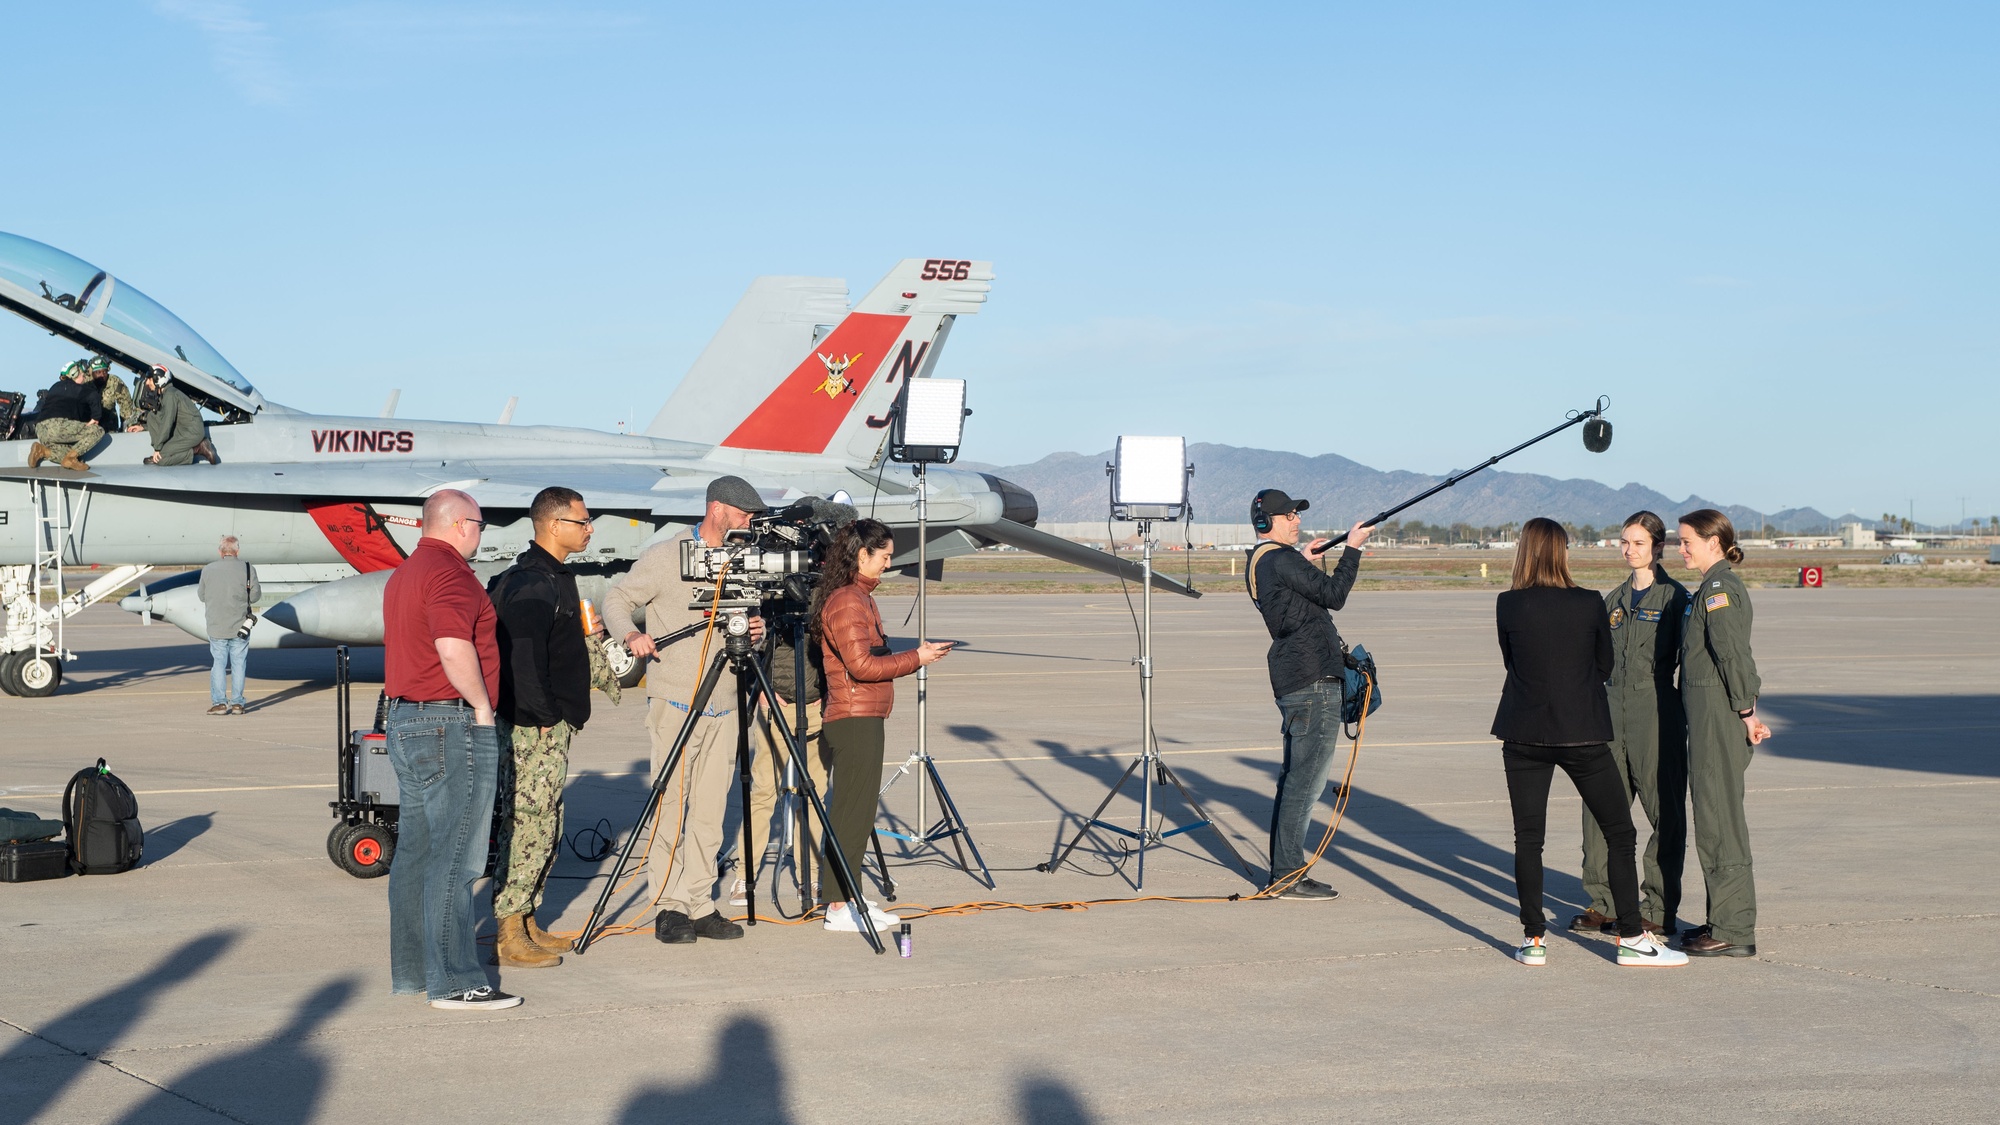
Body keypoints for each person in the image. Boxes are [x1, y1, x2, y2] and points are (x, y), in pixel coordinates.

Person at [1494, 518, 1687, 968]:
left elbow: (1512, 662)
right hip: (1580, 732)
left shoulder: (1507, 604)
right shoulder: (1587, 603)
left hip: (1522, 733)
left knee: (1529, 839)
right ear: (1561, 552)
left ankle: (1533, 940)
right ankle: (1633, 936)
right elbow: (1604, 663)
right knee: (1620, 832)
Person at [603, 474, 770, 945]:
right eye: (743, 513)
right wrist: (630, 635)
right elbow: (616, 598)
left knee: (711, 809)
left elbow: (746, 616)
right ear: (717, 509)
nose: (749, 521)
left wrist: (755, 631)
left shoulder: (741, 558)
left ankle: (699, 902)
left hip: (726, 701)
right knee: (672, 806)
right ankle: (668, 905)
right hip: (676, 699)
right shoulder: (667, 555)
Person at [381, 488, 520, 1010]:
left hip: (407, 719)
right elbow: (452, 645)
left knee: (417, 853)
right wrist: (482, 708)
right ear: (461, 524)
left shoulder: (406, 573)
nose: (482, 535)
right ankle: (457, 981)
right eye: (481, 525)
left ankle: (416, 972)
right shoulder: (451, 575)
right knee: (457, 856)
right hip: (448, 722)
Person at [809, 518, 950, 932]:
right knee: (852, 814)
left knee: (858, 812)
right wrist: (917, 658)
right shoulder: (849, 601)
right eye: (884, 556)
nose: (888, 564)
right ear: (861, 554)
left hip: (862, 717)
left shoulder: (857, 597)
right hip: (854, 719)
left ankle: (847, 896)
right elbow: (862, 665)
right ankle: (837, 907)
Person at [486, 486, 597, 970]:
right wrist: (546, 718)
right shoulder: (531, 583)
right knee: (528, 824)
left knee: (545, 821)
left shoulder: (551, 576)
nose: (590, 529)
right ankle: (509, 932)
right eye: (582, 521)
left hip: (546, 725)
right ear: (555, 526)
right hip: (533, 729)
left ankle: (528, 919)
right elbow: (523, 661)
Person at [1244, 488, 1370, 900]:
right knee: (1305, 785)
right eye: (1288, 516)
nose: (1297, 520)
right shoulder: (1279, 559)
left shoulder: (1267, 561)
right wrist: (1352, 550)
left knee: (1295, 781)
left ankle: (1286, 870)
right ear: (1266, 522)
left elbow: (1294, 595)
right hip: (1312, 683)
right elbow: (1335, 596)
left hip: (1299, 680)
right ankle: (1287, 875)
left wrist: (1306, 561)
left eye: (1297, 514)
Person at [1571, 511, 1690, 939]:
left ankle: (1657, 907)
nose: (1629, 551)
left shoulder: (1677, 600)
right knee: (1601, 808)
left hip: (1656, 711)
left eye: (1638, 543)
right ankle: (1602, 902)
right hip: (1609, 709)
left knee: (1665, 813)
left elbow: (1692, 663)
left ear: (1658, 548)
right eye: (1624, 542)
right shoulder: (1613, 600)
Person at [1675, 509, 1770, 958]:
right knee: (1712, 816)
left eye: (1687, 541)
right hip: (1707, 715)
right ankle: (1723, 916)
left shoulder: (1719, 590)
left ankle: (1733, 927)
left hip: (1718, 717)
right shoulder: (1709, 586)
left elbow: (1733, 655)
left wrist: (1748, 712)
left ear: (1713, 542)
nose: (1681, 549)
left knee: (1719, 821)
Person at [733, 623, 831, 908]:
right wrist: (757, 687)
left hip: (817, 704)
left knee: (814, 797)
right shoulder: (766, 591)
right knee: (763, 792)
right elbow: (742, 643)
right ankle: (745, 874)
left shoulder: (827, 588)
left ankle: (810, 876)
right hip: (775, 702)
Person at [196, 536, 260, 715]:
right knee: (239, 664)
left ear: (220, 551)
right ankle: (238, 704)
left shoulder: (208, 569)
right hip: (240, 626)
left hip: (216, 626)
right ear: (237, 551)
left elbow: (201, 596)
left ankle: (220, 703)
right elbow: (255, 596)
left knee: (219, 663)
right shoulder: (248, 568)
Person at [27, 361, 104, 471]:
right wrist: (95, 418)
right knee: (97, 431)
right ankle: (71, 458)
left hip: (41, 430)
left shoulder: (55, 387)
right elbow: (93, 396)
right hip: (58, 426)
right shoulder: (76, 388)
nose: (84, 378)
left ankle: (42, 451)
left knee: (72, 452)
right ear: (74, 374)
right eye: (82, 375)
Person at [140, 367, 217, 466]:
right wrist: (143, 427)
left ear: (158, 379)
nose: (147, 383)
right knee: (151, 416)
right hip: (182, 429)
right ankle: (161, 453)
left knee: (162, 460)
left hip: (191, 432)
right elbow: (160, 417)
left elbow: (167, 422)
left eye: (149, 379)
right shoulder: (167, 394)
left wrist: (157, 448)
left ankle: (198, 449)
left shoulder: (170, 395)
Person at [87, 356, 140, 433]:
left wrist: (126, 429)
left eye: (104, 372)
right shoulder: (85, 382)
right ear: (92, 372)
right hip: (88, 428)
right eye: (98, 372)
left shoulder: (115, 382)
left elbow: (126, 407)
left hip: (109, 429)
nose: (102, 375)